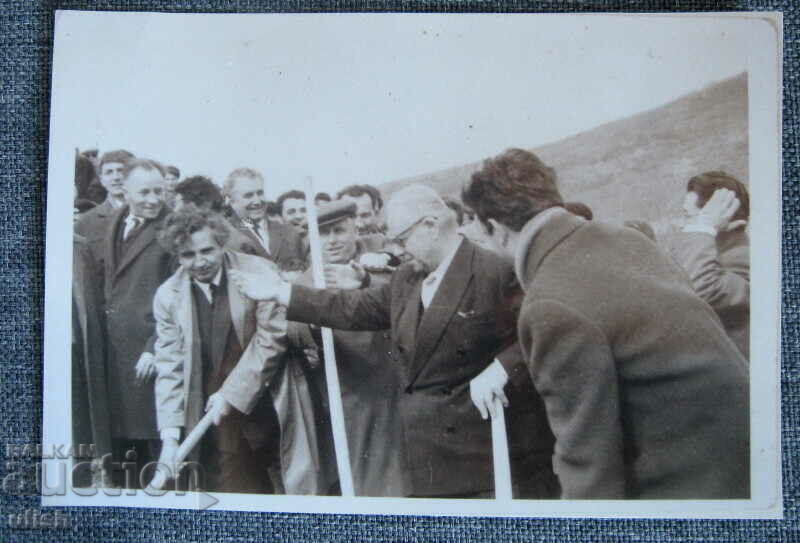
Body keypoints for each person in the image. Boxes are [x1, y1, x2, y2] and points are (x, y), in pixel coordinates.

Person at [229, 184, 558, 499]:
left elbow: (543, 331)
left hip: (488, 455)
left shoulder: (495, 271)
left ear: (430, 225)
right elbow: (352, 308)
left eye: (402, 239)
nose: (397, 250)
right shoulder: (408, 276)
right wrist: (280, 292)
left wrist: (503, 367)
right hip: (427, 458)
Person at [462, 148, 750, 499]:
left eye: (478, 230)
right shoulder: (627, 239)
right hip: (742, 463)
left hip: (687, 493)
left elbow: (588, 466)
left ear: (496, 228)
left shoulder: (549, 302)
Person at [152, 208, 326, 494]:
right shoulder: (167, 296)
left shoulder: (257, 271)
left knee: (293, 483)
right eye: (188, 255)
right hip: (216, 416)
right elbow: (169, 367)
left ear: (221, 243)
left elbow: (271, 338)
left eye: (207, 250)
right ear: (176, 255)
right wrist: (170, 437)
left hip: (271, 400)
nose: (200, 262)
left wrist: (231, 394)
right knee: (236, 488)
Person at [291, 200, 410, 496]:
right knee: (372, 479)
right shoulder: (305, 283)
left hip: (399, 385)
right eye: (323, 233)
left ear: (355, 229)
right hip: (351, 394)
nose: (332, 240)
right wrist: (305, 336)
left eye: (339, 230)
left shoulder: (377, 269)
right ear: (311, 239)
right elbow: (289, 327)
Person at [100, 158, 175, 487]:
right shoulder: (115, 221)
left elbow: (177, 298)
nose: (153, 199)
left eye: (158, 191)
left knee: (154, 444)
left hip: (150, 355)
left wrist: (153, 347)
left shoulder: (171, 229)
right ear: (125, 191)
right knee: (121, 449)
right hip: (116, 355)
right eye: (144, 191)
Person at [669, 172, 750, 360]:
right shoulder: (707, 256)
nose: (682, 226)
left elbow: (701, 292)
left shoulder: (743, 260)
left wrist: (703, 227)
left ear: (722, 218)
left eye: (689, 216)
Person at [223, 168, 304, 269]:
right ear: (232, 202)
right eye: (248, 196)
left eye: (260, 193)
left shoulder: (289, 232)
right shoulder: (224, 236)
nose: (257, 201)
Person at [74, 149, 136, 268]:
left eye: (121, 171)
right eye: (109, 172)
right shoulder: (85, 223)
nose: (116, 177)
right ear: (101, 179)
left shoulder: (152, 217)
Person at [173, 175, 259, 255]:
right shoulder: (220, 234)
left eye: (179, 203)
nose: (175, 210)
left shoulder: (237, 244)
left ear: (200, 206)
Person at [277, 189, 310, 265]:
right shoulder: (275, 247)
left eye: (303, 210)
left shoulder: (322, 241)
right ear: (280, 217)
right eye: (291, 212)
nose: (299, 216)